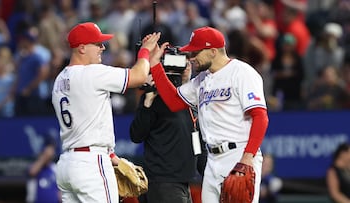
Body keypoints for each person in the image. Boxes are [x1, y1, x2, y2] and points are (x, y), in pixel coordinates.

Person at [149, 26, 269, 203]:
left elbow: (260, 116)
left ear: (213, 51)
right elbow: (174, 101)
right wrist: (154, 65)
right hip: (212, 160)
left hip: (238, 154)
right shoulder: (202, 79)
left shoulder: (242, 72)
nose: (191, 58)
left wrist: (247, 157)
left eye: (196, 52)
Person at [52, 22, 160, 203]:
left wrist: (111, 157)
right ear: (82, 48)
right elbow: (139, 77)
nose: (103, 47)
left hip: (67, 164)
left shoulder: (59, 79)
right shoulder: (92, 73)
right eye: (97, 44)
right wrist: (145, 51)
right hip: (90, 164)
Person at [129, 61, 207, 203]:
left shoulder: (189, 99)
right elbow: (136, 135)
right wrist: (147, 103)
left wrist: (210, 176)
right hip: (162, 182)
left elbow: (198, 142)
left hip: (182, 182)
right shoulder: (154, 98)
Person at [26, 135, 61, 203]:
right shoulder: (36, 165)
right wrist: (45, 156)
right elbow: (32, 172)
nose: (51, 152)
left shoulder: (55, 168)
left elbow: (60, 190)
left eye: (52, 149)